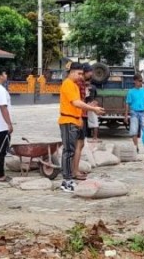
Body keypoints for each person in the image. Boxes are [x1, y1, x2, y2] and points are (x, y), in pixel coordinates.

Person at [58, 62, 104, 193]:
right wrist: (93, 109)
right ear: (71, 72)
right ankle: (66, 181)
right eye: (78, 73)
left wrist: (79, 119)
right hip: (67, 121)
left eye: (81, 74)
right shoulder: (67, 84)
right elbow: (76, 103)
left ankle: (69, 178)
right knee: (68, 152)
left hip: (74, 120)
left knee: (71, 151)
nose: (80, 76)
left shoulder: (73, 85)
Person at [72, 63, 98, 181]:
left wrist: (89, 106)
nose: (91, 74)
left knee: (80, 144)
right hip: (79, 116)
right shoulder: (78, 84)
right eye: (89, 72)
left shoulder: (80, 84)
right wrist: (90, 107)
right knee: (78, 144)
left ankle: (74, 169)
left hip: (81, 115)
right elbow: (78, 102)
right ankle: (74, 171)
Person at [124, 74, 144, 153]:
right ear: (135, 81)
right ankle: (136, 147)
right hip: (134, 113)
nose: (141, 83)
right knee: (134, 131)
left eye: (141, 81)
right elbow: (127, 103)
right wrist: (126, 115)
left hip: (143, 112)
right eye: (139, 81)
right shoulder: (131, 92)